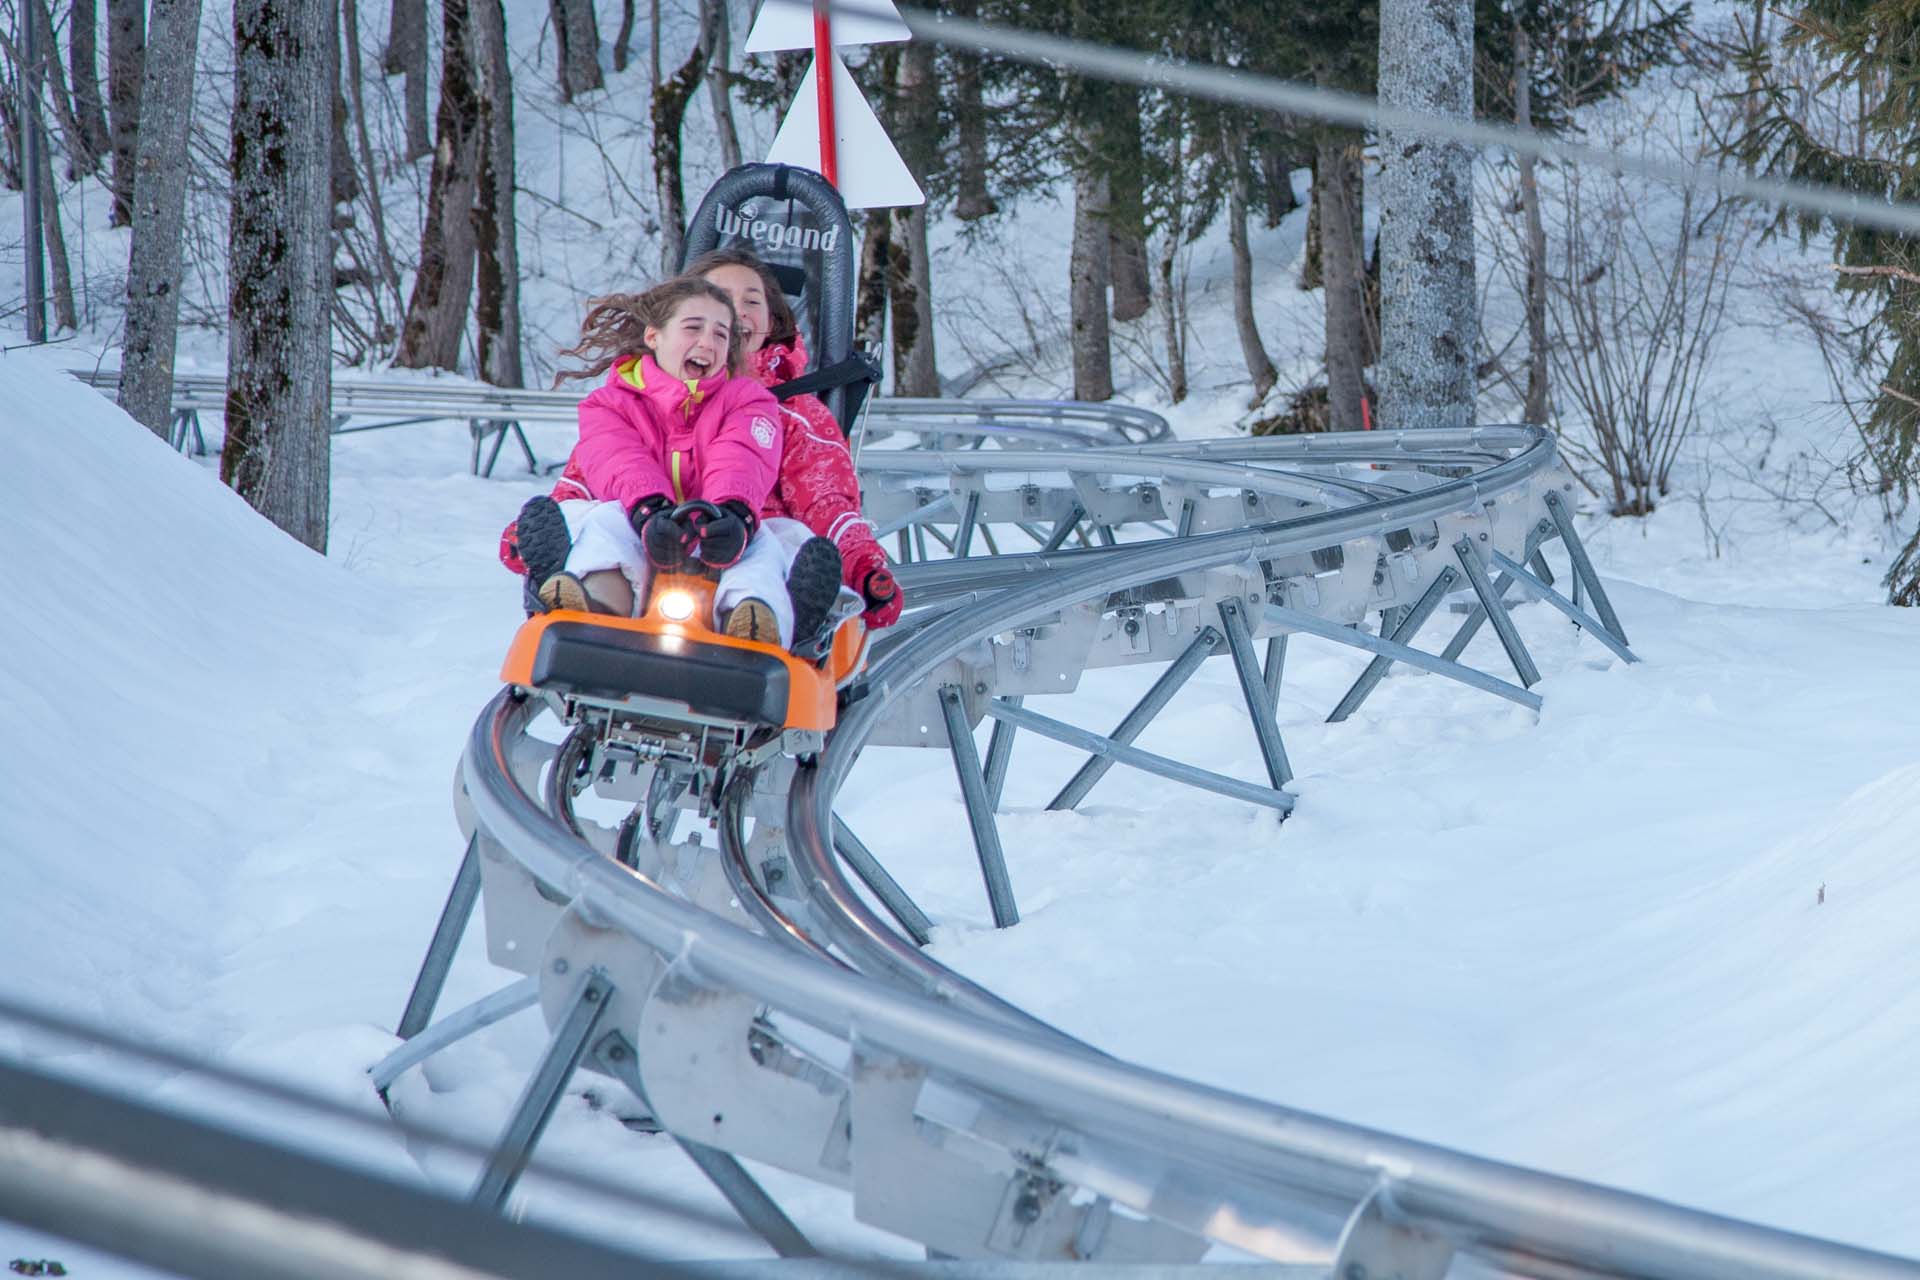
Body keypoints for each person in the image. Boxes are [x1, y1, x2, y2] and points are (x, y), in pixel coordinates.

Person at [500, 276, 844, 651]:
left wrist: (734, 513)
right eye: (693, 327)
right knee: (603, 522)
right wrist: (649, 511)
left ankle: (756, 618)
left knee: (768, 545)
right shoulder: (609, 403)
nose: (707, 342)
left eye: (720, 334)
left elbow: (742, 454)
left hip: (720, 531)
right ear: (654, 336)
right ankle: (591, 598)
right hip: (642, 523)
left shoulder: (748, 399)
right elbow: (619, 458)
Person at [685, 246, 904, 631]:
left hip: (754, 545)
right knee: (609, 520)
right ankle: (577, 587)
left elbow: (825, 502)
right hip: (666, 539)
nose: (736, 312)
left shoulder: (795, 414)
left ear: (771, 323)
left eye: (752, 301)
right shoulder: (651, 396)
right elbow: (600, 469)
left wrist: (864, 566)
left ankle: (765, 618)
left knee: (782, 542)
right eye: (720, 298)